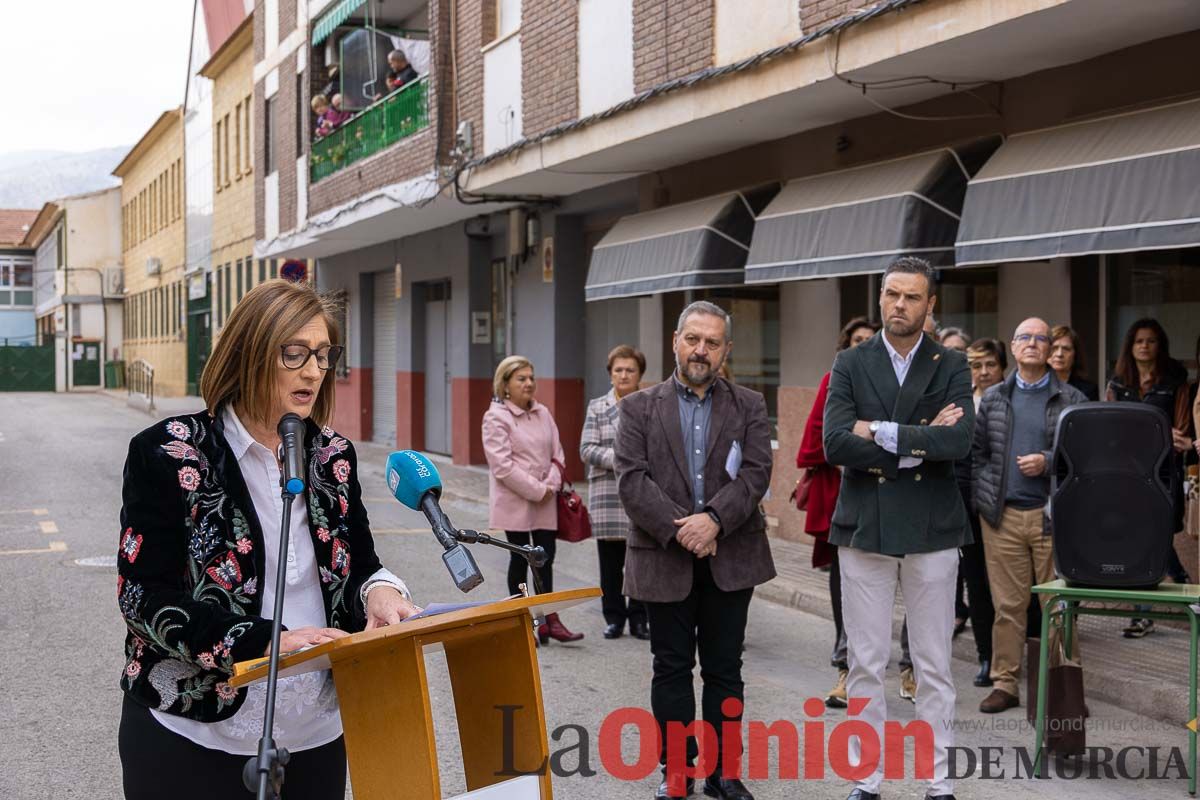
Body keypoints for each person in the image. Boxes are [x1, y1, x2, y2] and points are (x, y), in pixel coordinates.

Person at [116, 280, 419, 799]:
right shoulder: (168, 453)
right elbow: (142, 597)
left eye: (324, 355)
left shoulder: (332, 455)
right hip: (194, 733)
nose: (314, 371)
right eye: (295, 353)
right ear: (251, 353)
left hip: (315, 736)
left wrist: (381, 591)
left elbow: (360, 561)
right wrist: (267, 642)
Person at [823, 256, 973, 800]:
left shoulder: (952, 364)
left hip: (933, 529)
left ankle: (939, 783)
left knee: (934, 664)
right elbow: (834, 442)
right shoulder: (851, 362)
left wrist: (880, 431)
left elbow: (957, 443)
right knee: (866, 661)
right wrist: (916, 441)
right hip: (865, 526)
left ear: (930, 306)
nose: (899, 305)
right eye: (891, 294)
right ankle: (866, 779)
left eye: (911, 297)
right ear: (880, 297)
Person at [616, 300, 774, 800]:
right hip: (663, 556)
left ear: (726, 350)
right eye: (693, 339)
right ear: (675, 342)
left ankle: (725, 773)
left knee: (726, 670)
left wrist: (716, 522)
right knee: (671, 668)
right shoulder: (638, 407)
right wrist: (684, 529)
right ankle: (677, 770)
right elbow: (631, 479)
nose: (700, 350)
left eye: (712, 342)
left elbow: (755, 473)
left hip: (731, 557)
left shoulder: (749, 405)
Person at [973, 318, 1086, 713]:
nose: (1034, 344)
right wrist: (985, 500)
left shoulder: (1071, 400)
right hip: (1002, 519)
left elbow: (1084, 457)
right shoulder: (993, 399)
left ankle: (1065, 690)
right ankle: (1006, 683)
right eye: (1025, 338)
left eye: (1041, 338)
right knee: (1007, 607)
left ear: (1050, 348)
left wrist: (1049, 460)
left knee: (1057, 607)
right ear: (1014, 346)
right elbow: (979, 455)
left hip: (1051, 518)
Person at [796, 317, 878, 708]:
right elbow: (819, 438)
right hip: (842, 494)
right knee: (843, 576)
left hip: (884, 497)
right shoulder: (834, 381)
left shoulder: (886, 382)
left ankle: (883, 667)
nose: (863, 346)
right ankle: (845, 665)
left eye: (869, 340)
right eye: (856, 340)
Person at [482, 355, 582, 644]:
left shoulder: (543, 413)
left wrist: (550, 485)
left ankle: (550, 620)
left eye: (531, 378)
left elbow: (558, 454)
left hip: (545, 498)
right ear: (506, 385)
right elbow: (502, 466)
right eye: (521, 379)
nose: (528, 383)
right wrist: (538, 490)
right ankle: (524, 620)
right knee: (520, 558)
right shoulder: (495, 417)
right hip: (516, 500)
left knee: (545, 558)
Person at [1105, 318, 1193, 637]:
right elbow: (1109, 430)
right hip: (1128, 476)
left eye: (1151, 340)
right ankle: (1147, 611)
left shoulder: (1175, 381)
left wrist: (1147, 437)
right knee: (1139, 541)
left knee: (1158, 535)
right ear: (1130, 346)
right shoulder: (1117, 384)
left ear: (1160, 345)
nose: (1144, 346)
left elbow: (1180, 430)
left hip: (1164, 472)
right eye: (1139, 340)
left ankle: (1184, 591)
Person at [581, 345, 649, 641]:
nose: (624, 375)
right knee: (610, 564)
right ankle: (613, 617)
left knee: (640, 563)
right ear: (610, 375)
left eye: (630, 370)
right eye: (618, 370)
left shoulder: (649, 405)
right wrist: (620, 459)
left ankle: (639, 618)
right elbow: (587, 449)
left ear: (639, 375)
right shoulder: (597, 407)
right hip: (608, 495)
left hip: (641, 494)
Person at [938, 327, 972, 637]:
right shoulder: (933, 387)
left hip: (969, 486)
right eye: (950, 349)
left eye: (962, 349)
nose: (956, 355)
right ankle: (956, 610)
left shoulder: (969, 390)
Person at [1049, 325, 1099, 401]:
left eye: (1066, 349)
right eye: (1054, 348)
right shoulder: (1035, 386)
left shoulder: (1088, 390)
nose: (1059, 354)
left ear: (1075, 355)